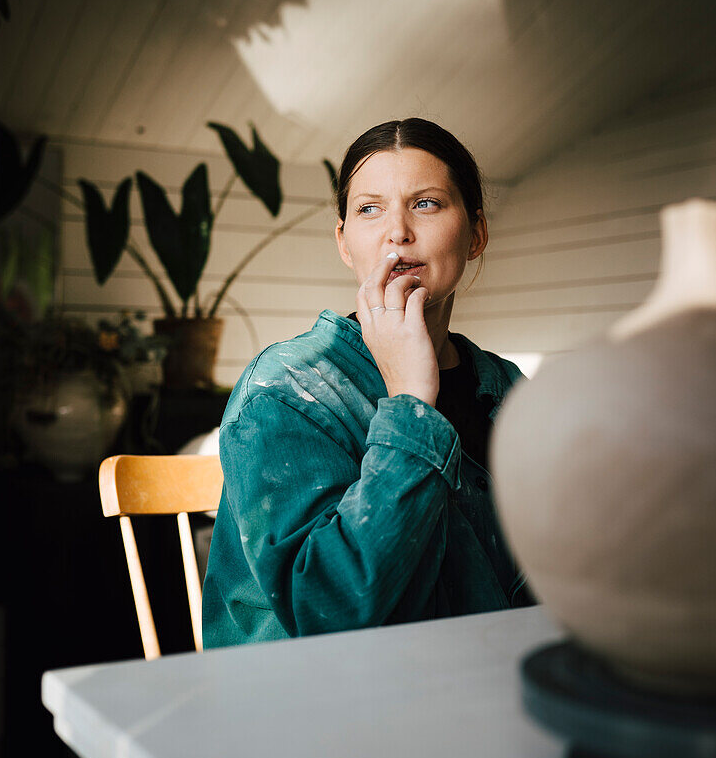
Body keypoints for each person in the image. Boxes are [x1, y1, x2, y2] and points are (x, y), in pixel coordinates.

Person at [202, 118, 531, 648]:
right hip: (321, 706)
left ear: (477, 233)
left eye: (426, 204)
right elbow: (329, 611)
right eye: (369, 209)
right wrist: (409, 404)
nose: (396, 231)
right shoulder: (285, 391)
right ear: (344, 243)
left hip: (483, 686)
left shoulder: (507, 389)